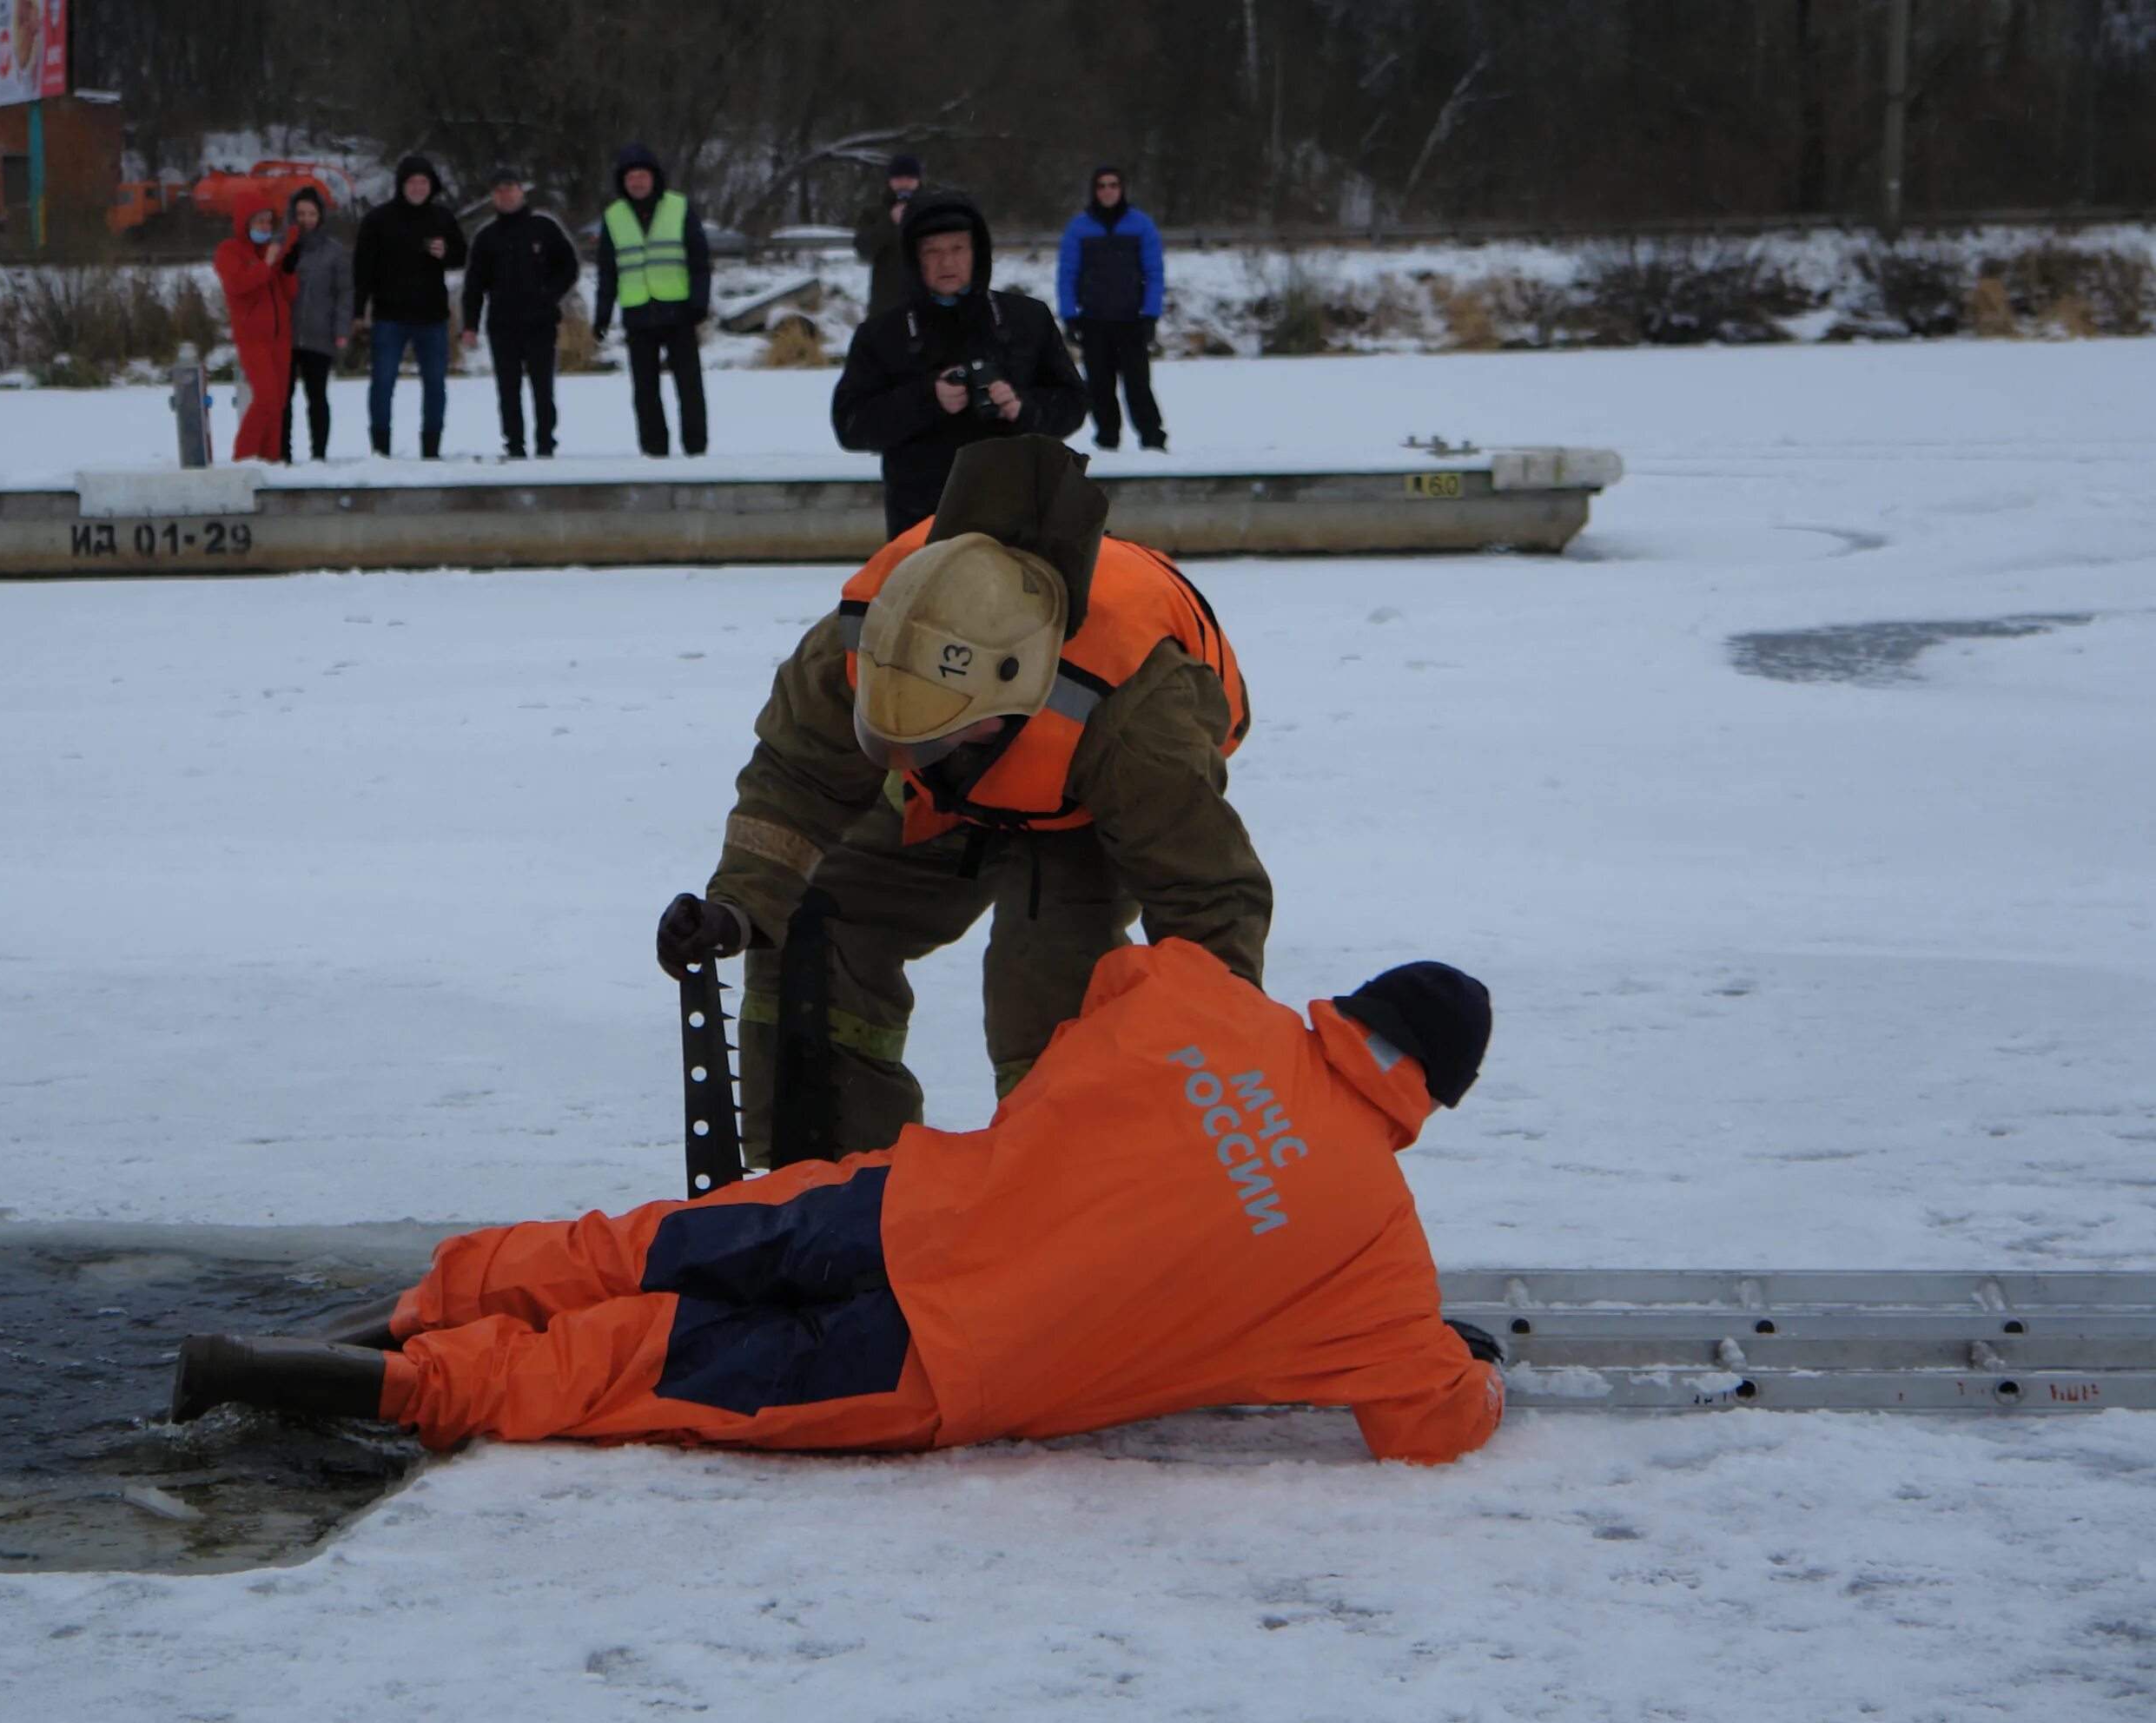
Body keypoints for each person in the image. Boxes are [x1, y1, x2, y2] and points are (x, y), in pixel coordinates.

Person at [169, 939, 1505, 1469]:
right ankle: (352, 1385)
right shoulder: (1378, 1262)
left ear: (1355, 1005)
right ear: (1431, 1097)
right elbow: (1427, 1428)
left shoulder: (1211, 999)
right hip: (941, 1362)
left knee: (636, 1250)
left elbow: (1105, 981)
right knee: (634, 1368)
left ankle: (401, 1311)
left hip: (898, 1204)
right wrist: (1469, 1370)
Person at [654, 432, 1270, 1168]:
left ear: (1010, 697)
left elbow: (1204, 893)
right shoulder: (868, 637)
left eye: (931, 735)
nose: (907, 755)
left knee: (1049, 997)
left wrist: (1225, 1062)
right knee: (817, 923)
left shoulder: (1136, 720)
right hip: (955, 791)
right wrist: (739, 906)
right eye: (892, 735)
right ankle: (828, 1188)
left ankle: (1064, 1197)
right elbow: (799, 776)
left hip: (1085, 809)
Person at [833, 190, 1088, 538]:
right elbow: (851, 425)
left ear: (977, 253)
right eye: (933, 252)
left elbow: (1072, 403)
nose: (947, 263)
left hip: (1021, 517)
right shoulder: (882, 335)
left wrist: (1022, 408)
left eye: (957, 249)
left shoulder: (1025, 320)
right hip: (923, 524)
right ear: (914, 259)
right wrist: (927, 399)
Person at [592, 142, 711, 458]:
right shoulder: (614, 217)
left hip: (679, 311)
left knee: (689, 387)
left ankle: (696, 449)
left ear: (654, 177)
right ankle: (654, 449)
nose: (637, 182)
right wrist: (602, 314)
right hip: (638, 313)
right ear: (623, 181)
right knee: (645, 391)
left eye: (642, 175)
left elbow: (699, 260)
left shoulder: (679, 207)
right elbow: (607, 271)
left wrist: (700, 302)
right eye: (631, 177)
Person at [352, 154, 467, 459]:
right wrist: (357, 311)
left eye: (423, 182)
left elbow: (463, 255)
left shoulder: (442, 218)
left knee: (435, 385)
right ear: (401, 185)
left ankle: (431, 449)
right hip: (390, 315)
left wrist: (447, 252)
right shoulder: (378, 220)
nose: (418, 188)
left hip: (432, 316)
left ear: (432, 186)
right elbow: (362, 270)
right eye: (412, 182)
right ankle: (381, 449)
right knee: (382, 383)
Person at [460, 168, 580, 459]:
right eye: (499, 190)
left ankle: (545, 442)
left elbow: (569, 267)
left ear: (521, 191)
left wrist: (549, 295)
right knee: (508, 389)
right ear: (493, 197)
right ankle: (514, 444)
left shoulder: (543, 227)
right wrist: (470, 325)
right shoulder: (486, 236)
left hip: (540, 322)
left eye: (510, 188)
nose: (505, 194)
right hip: (503, 325)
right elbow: (474, 284)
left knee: (543, 387)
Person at [1055, 167, 1167, 452]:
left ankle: (1152, 438)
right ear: (1095, 190)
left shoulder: (1141, 225)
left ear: (1122, 189)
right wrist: (1069, 316)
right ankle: (1107, 439)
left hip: (1131, 320)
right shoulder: (1079, 228)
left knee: (1138, 384)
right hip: (1093, 321)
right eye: (1102, 185)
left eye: (1113, 185)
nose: (1108, 190)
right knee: (1099, 386)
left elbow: (1154, 271)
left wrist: (1151, 314)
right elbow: (1067, 273)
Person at [212, 192, 297, 464]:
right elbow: (238, 285)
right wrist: (266, 264)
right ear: (245, 222)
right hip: (253, 337)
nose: (265, 228)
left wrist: (287, 267)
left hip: (280, 335)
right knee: (266, 399)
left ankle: (271, 459)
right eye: (259, 222)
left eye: (269, 222)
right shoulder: (230, 251)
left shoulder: (269, 252)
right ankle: (244, 458)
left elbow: (288, 292)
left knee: (279, 404)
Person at [281, 184, 353, 463]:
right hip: (285, 335)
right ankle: (282, 454)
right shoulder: (283, 245)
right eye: (301, 213)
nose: (306, 219)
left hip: (320, 335)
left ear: (320, 216)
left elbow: (345, 292)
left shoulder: (335, 251)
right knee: (282, 400)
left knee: (317, 398)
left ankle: (319, 454)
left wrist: (342, 329)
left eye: (311, 213)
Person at [850, 152, 924, 321]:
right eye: (899, 178)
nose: (904, 184)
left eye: (910, 178)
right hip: (886, 306)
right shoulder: (874, 214)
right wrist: (889, 222)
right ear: (890, 181)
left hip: (926, 303)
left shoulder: (932, 210)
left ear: (918, 180)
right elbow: (864, 249)